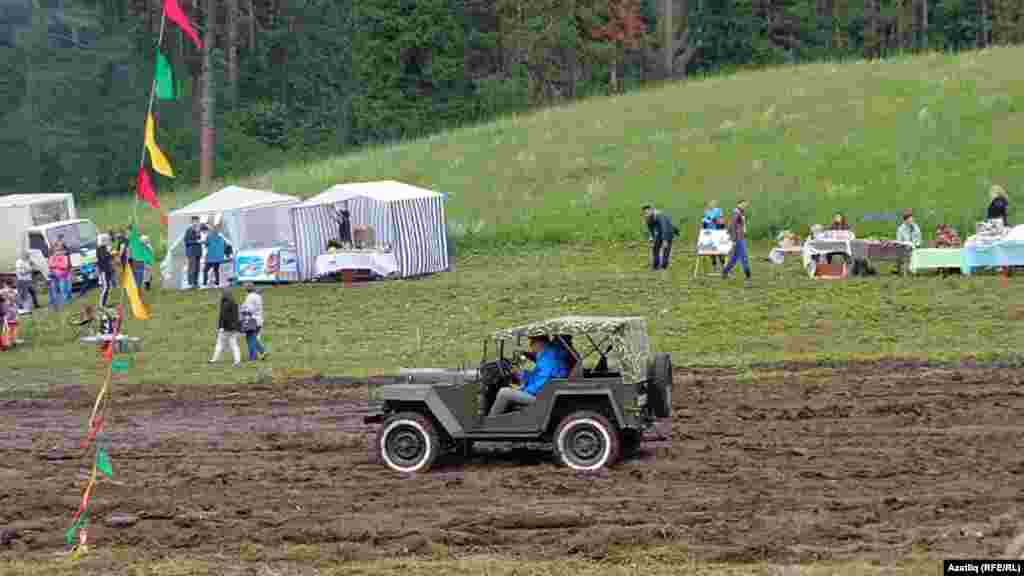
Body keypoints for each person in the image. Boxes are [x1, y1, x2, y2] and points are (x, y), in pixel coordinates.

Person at [489, 335, 570, 416]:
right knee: (510, 389)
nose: (530, 345)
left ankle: (489, 423)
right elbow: (538, 376)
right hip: (545, 394)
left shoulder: (549, 359)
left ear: (541, 343)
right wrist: (523, 375)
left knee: (504, 393)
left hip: (541, 399)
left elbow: (540, 384)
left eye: (532, 342)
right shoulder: (548, 354)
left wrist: (523, 389)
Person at [721, 200, 751, 283]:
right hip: (738, 238)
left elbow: (741, 225)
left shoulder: (741, 213)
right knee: (744, 256)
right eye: (743, 204)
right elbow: (732, 226)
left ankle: (725, 272)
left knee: (735, 258)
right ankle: (748, 275)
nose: (745, 205)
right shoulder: (736, 213)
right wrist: (734, 239)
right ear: (738, 204)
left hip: (741, 237)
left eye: (746, 204)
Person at [210, 287, 241, 366]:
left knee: (220, 343)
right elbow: (236, 316)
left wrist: (221, 327)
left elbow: (223, 316)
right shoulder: (234, 302)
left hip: (226, 328)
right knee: (234, 344)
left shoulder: (225, 303)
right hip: (233, 328)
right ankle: (237, 360)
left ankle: (214, 359)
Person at [642, 204, 677, 270]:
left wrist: (665, 240)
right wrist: (652, 237)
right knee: (655, 248)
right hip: (660, 231)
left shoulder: (659, 215)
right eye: (644, 213)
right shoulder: (647, 218)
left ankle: (664, 266)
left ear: (651, 210)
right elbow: (651, 229)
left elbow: (664, 228)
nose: (646, 214)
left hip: (668, 231)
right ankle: (656, 265)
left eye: (647, 212)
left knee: (666, 248)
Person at [241, 283, 266, 361]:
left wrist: (243, 311)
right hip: (259, 319)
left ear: (247, 289)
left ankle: (255, 355)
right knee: (253, 338)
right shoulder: (258, 296)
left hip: (252, 319)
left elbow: (249, 309)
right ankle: (260, 352)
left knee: (250, 338)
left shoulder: (250, 297)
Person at [894, 209, 921, 274]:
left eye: (912, 219)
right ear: (905, 220)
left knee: (914, 251)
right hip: (904, 248)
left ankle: (913, 269)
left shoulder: (916, 227)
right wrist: (905, 244)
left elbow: (919, 238)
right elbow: (899, 241)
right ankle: (905, 269)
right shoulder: (901, 229)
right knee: (906, 251)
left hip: (914, 247)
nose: (911, 221)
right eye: (910, 219)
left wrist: (917, 244)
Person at [702, 200, 726, 269]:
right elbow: (704, 221)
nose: (711, 205)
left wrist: (717, 221)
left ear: (715, 205)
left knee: (719, 249)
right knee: (711, 250)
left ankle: (722, 263)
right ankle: (714, 264)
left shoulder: (718, 210)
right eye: (710, 204)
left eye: (713, 204)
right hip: (709, 233)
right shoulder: (706, 211)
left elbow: (721, 221)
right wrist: (704, 225)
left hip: (717, 232)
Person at [47, 240, 69, 311]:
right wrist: (57, 265)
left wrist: (56, 265)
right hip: (54, 276)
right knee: (55, 290)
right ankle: (57, 304)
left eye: (59, 250)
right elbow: (50, 265)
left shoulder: (64, 256)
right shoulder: (52, 257)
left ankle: (64, 303)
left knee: (63, 289)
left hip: (62, 275)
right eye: (56, 251)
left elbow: (65, 265)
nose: (57, 252)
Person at [96, 234, 115, 307]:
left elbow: (107, 257)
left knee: (108, 287)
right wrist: (111, 254)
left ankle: (104, 303)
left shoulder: (103, 248)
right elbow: (104, 257)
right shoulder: (100, 248)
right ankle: (101, 304)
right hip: (104, 270)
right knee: (106, 287)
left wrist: (111, 254)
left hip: (107, 269)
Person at [184, 216, 203, 289]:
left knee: (197, 268)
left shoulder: (198, 230)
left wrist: (200, 239)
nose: (197, 223)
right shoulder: (189, 230)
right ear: (192, 222)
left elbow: (199, 239)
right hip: (191, 252)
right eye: (195, 221)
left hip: (198, 251)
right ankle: (190, 283)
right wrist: (196, 241)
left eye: (198, 221)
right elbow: (187, 241)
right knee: (192, 267)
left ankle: (195, 282)